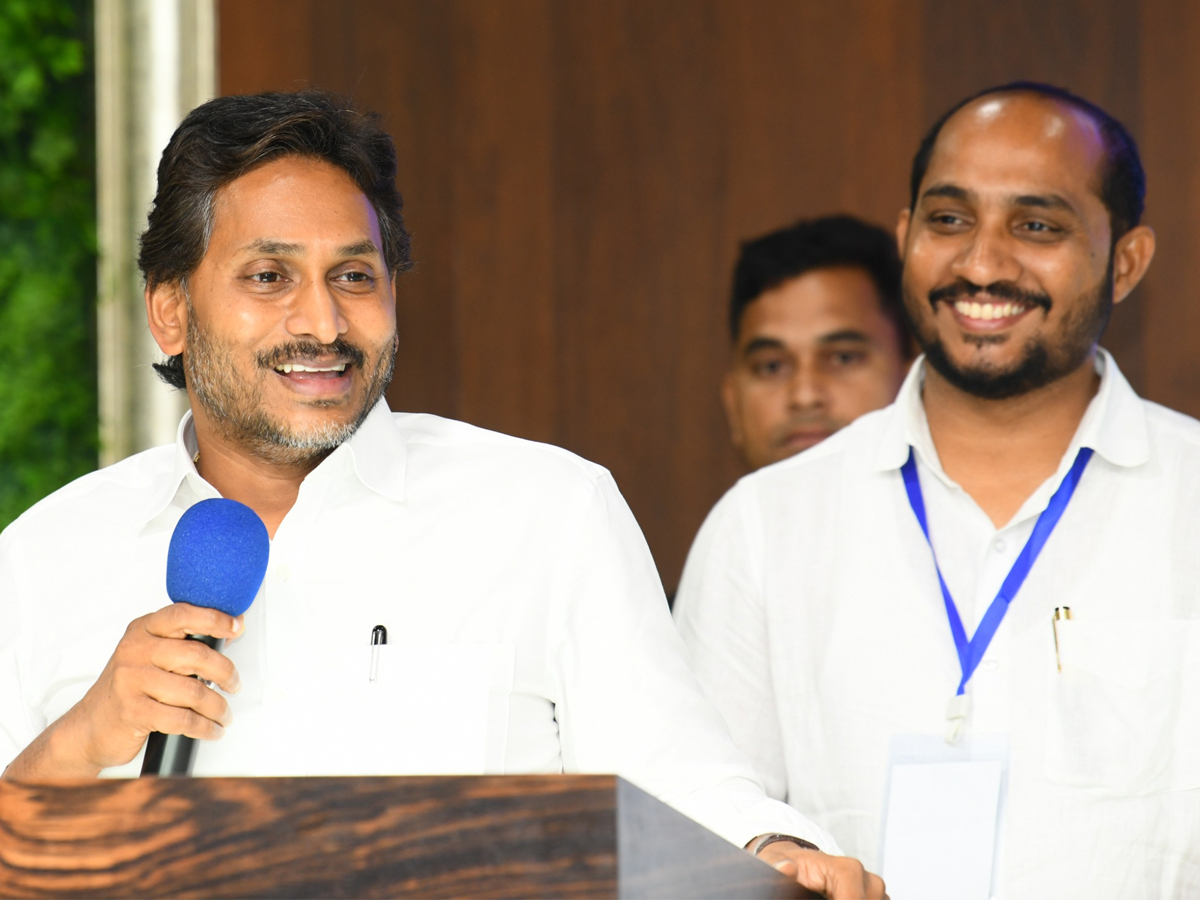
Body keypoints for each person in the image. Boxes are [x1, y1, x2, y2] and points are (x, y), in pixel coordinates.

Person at [0, 91, 882, 898]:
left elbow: (678, 780)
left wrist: (771, 851)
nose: (323, 322)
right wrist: (80, 743)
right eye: (269, 277)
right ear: (169, 310)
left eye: (354, 275)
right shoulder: (46, 557)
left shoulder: (548, 512)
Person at [675, 81, 1199, 897]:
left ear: (1126, 262)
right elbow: (697, 819)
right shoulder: (765, 525)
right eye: (949, 220)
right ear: (905, 236)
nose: (982, 263)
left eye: (1037, 225)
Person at [722, 216, 910, 472]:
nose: (805, 396)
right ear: (733, 405)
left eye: (843, 358)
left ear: (912, 381)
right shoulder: (727, 514)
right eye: (772, 366)